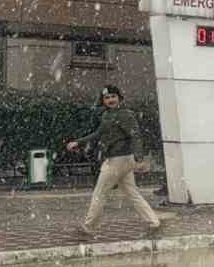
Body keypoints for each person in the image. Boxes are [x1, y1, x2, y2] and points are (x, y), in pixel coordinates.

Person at [67, 85, 161, 238]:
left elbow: (135, 135)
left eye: (113, 96)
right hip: (119, 159)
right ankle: (153, 222)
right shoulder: (107, 115)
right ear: (103, 101)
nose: (110, 100)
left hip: (119, 159)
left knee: (100, 193)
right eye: (107, 97)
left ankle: (89, 227)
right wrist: (79, 142)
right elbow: (98, 133)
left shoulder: (125, 115)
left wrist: (139, 158)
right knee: (131, 192)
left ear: (120, 98)